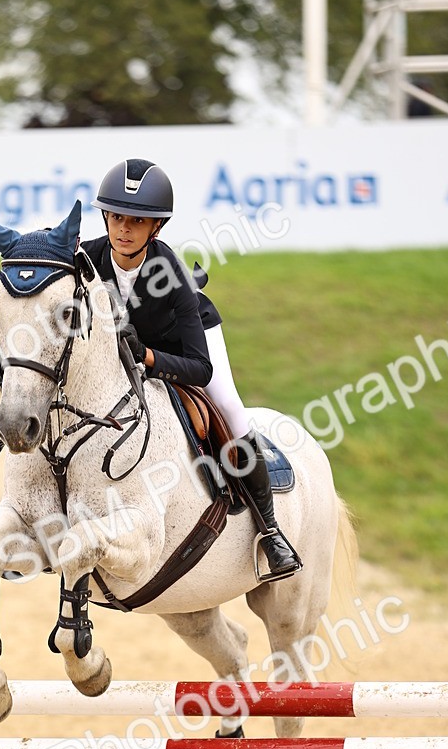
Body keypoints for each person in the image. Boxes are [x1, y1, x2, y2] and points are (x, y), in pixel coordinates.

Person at [82, 158, 300, 579]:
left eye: (136, 221)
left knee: (231, 408)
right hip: (126, 352)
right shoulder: (87, 260)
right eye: (116, 217)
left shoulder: (176, 277)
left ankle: (270, 532)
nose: (123, 229)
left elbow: (199, 368)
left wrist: (147, 358)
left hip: (185, 342)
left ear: (156, 228)